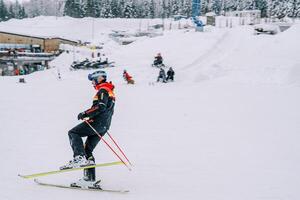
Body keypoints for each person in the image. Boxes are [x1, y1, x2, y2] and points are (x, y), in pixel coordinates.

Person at [60, 70, 115, 187]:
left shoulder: (103, 90)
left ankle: (79, 158)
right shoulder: (109, 91)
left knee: (73, 132)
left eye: (93, 80)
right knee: (88, 150)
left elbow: (100, 106)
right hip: (104, 126)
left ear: (100, 78)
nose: (92, 83)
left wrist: (85, 113)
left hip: (97, 123)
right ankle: (89, 179)